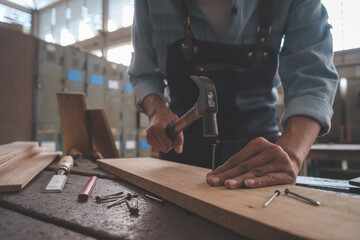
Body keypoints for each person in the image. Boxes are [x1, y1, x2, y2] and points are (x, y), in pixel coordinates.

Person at [128, 0, 339, 189]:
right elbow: (143, 73)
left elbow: (313, 79)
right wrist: (157, 111)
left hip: (261, 155)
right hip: (180, 154)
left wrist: (291, 153)